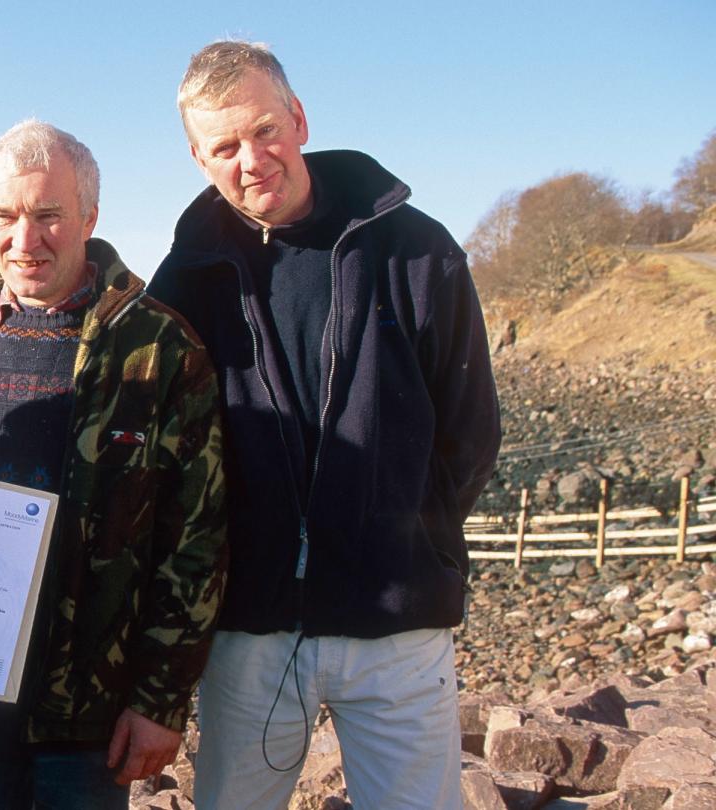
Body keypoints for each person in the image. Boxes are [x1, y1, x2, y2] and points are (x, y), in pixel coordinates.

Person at [147, 41, 502, 810]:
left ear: (298, 118)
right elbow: (159, 449)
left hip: (399, 623)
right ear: (197, 157)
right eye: (224, 146)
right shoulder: (185, 279)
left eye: (264, 130)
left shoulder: (416, 249)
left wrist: (414, 537)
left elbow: (470, 430)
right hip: (251, 631)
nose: (251, 159)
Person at [0, 120, 228, 810]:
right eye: (5, 217)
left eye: (48, 216)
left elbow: (199, 541)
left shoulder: (160, 348)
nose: (25, 239)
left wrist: (160, 701)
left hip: (91, 711)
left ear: (90, 216)